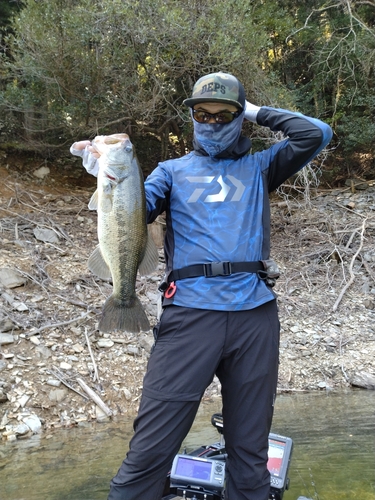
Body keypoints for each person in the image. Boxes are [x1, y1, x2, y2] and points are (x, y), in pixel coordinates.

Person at [71, 72, 332, 500]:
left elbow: (316, 133)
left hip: (255, 317)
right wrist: (103, 171)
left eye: (224, 114)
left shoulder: (261, 166)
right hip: (190, 316)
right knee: (150, 449)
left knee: (249, 453)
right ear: (191, 118)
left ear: (238, 118)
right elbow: (130, 210)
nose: (211, 123)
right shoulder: (169, 172)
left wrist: (253, 110)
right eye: (202, 114)